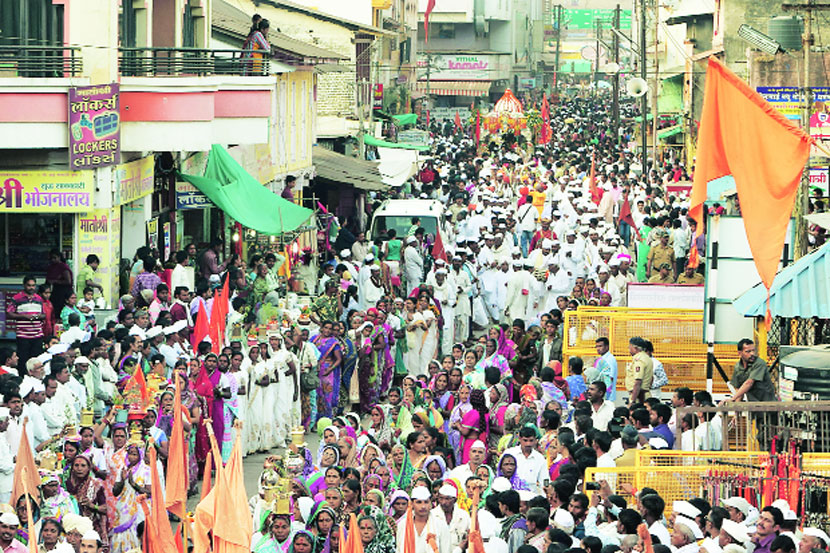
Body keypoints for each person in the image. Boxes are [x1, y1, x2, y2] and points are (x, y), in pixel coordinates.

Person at [7, 275, 45, 367]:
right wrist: (24, 316)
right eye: (29, 285)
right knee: (23, 360)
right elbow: (9, 313)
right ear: (24, 285)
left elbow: (44, 314)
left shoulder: (39, 299)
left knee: (36, 360)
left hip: (37, 335)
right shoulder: (17, 298)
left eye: (33, 285)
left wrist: (38, 316)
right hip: (23, 335)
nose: (31, 288)